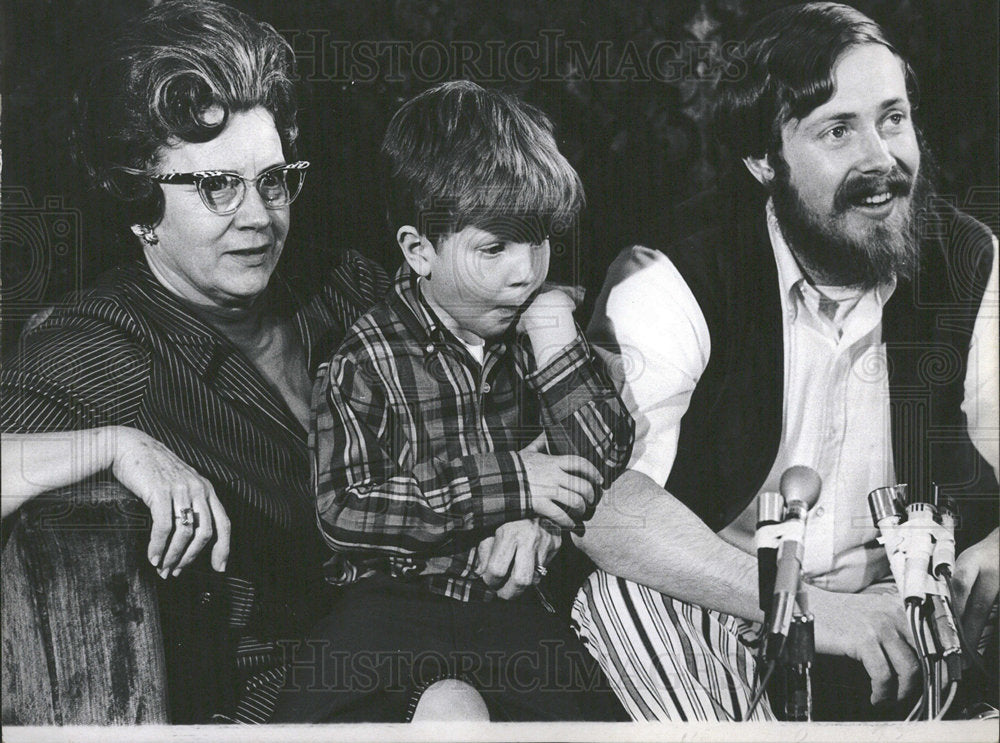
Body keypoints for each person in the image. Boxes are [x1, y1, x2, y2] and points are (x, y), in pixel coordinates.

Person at [574, 1, 999, 722]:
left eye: (892, 119)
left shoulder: (968, 260)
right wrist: (814, 608)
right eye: (839, 129)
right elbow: (603, 506)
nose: (883, 160)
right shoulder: (672, 275)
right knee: (622, 596)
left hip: (911, 619)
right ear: (763, 160)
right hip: (728, 615)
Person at [0, 0, 388, 723]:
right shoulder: (101, 345)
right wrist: (113, 445)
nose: (258, 216)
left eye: (273, 179)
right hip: (268, 705)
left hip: (412, 642)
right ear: (141, 203)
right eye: (216, 186)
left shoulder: (340, 286)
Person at [272, 81, 634, 722]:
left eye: (540, 239)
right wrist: (513, 482)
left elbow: (604, 448)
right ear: (419, 251)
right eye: (494, 248)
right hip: (392, 610)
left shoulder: (535, 330)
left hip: (509, 610)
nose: (527, 271)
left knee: (592, 716)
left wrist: (554, 334)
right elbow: (345, 509)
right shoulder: (367, 356)